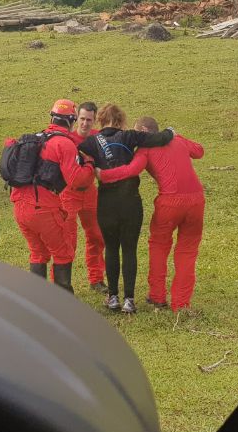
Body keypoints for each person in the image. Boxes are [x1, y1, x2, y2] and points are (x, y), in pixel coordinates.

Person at [97, 116, 204, 314]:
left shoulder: (145, 149)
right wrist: (177, 135)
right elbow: (199, 151)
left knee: (159, 246)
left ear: (144, 131)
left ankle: (157, 296)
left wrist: (103, 175)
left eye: (138, 132)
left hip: (170, 202)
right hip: (197, 200)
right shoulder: (177, 140)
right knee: (187, 251)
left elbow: (131, 170)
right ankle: (181, 304)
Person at [78, 104, 175, 314]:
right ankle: (129, 300)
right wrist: (170, 131)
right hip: (130, 201)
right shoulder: (129, 136)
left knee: (111, 248)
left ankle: (112, 297)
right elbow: (158, 139)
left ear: (100, 121)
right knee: (129, 250)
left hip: (106, 203)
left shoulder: (91, 142)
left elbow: (77, 156)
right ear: (121, 120)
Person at [5, 99, 93, 292]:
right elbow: (77, 181)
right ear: (72, 121)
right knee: (63, 253)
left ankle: (38, 303)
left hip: (19, 207)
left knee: (38, 253)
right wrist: (88, 165)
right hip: (42, 208)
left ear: (52, 117)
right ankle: (64, 305)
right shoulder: (64, 144)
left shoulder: (36, 138)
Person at [62, 100, 106, 293]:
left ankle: (96, 279)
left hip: (90, 193)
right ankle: (61, 286)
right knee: (67, 241)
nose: (85, 123)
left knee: (97, 236)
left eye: (89, 120)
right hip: (68, 194)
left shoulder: (98, 137)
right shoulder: (66, 139)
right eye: (82, 119)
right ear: (76, 119)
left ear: (94, 120)